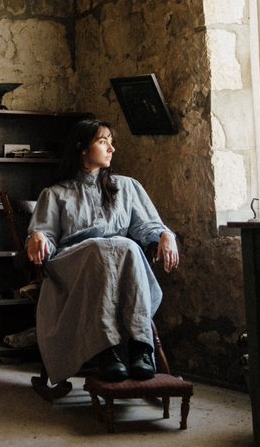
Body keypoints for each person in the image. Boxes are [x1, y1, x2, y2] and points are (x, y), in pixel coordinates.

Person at [25, 119, 179, 399]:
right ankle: (107, 351)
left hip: (118, 265)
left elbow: (149, 227)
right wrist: (37, 238)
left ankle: (140, 348)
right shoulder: (56, 194)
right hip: (73, 267)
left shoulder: (127, 187)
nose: (112, 148)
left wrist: (165, 236)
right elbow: (44, 234)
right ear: (82, 149)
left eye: (111, 141)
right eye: (102, 141)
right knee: (104, 247)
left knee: (126, 246)